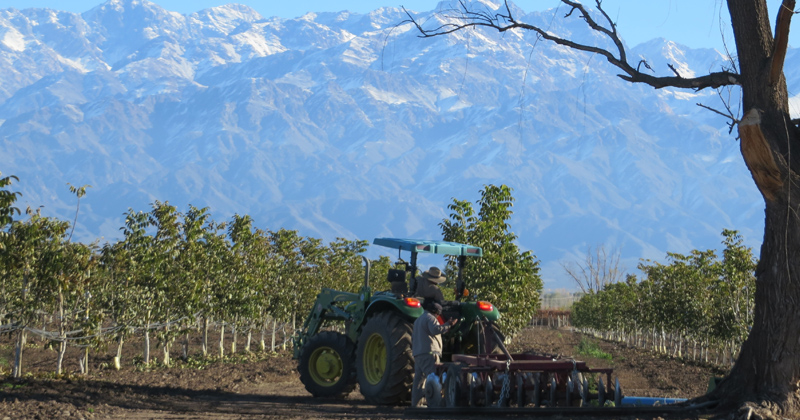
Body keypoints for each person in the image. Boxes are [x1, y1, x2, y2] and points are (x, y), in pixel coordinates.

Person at [411, 299, 457, 408]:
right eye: (438, 314)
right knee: (434, 378)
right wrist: (448, 325)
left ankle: (415, 404)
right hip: (429, 353)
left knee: (418, 380)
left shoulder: (418, 320)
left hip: (418, 354)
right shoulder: (430, 318)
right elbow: (435, 330)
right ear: (436, 312)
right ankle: (435, 404)